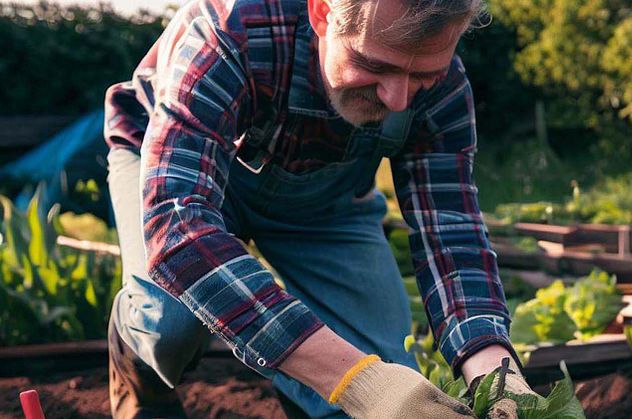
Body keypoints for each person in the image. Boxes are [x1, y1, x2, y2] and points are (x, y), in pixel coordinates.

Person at [103, 0, 538, 417]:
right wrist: (355, 382)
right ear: (321, 12)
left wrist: (494, 371)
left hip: (323, 205)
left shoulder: (444, 89)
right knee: (169, 322)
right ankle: (135, 363)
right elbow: (180, 229)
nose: (398, 99)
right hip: (175, 172)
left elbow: (451, 232)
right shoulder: (232, 31)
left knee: (381, 386)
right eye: (374, 66)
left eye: (422, 74)